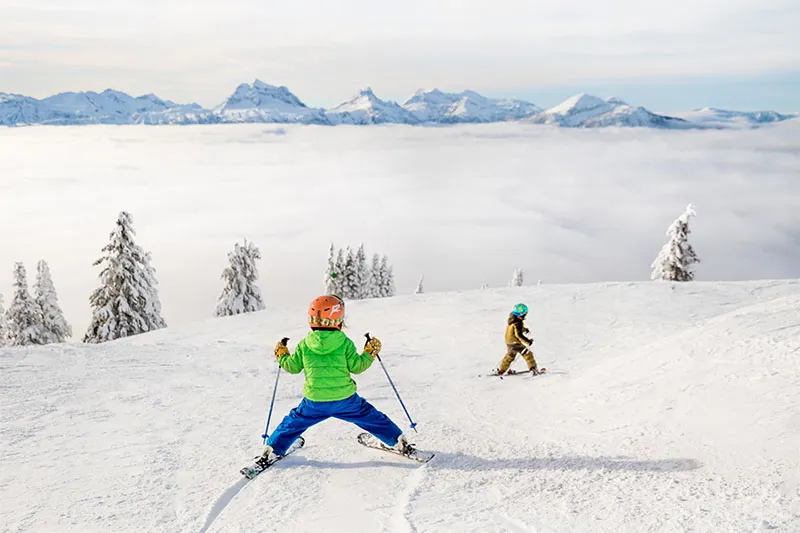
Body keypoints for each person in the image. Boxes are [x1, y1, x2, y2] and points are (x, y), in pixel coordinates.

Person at [256, 295, 410, 467]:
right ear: (339, 320)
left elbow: (292, 367)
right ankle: (397, 441)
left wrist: (282, 354)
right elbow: (358, 367)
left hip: (315, 402)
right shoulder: (344, 343)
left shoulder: (305, 344)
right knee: (372, 418)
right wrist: (369, 352)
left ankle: (272, 450)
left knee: (293, 423)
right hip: (346, 399)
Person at [495, 303, 539, 375]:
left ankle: (502, 370)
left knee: (510, 356)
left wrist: (524, 329)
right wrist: (528, 342)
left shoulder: (512, 320)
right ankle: (533, 369)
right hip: (515, 343)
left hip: (509, 341)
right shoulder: (518, 323)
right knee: (527, 354)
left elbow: (516, 330)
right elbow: (518, 335)